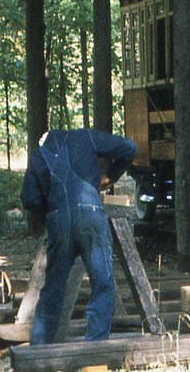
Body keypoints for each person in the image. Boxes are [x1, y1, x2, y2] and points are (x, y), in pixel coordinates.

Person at [21, 128, 137, 344]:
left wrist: (54, 203)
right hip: (91, 216)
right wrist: (109, 177)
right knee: (102, 281)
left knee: (53, 287)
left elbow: (30, 199)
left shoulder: (38, 156)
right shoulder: (85, 137)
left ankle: (39, 350)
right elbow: (129, 148)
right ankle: (94, 344)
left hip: (58, 221)